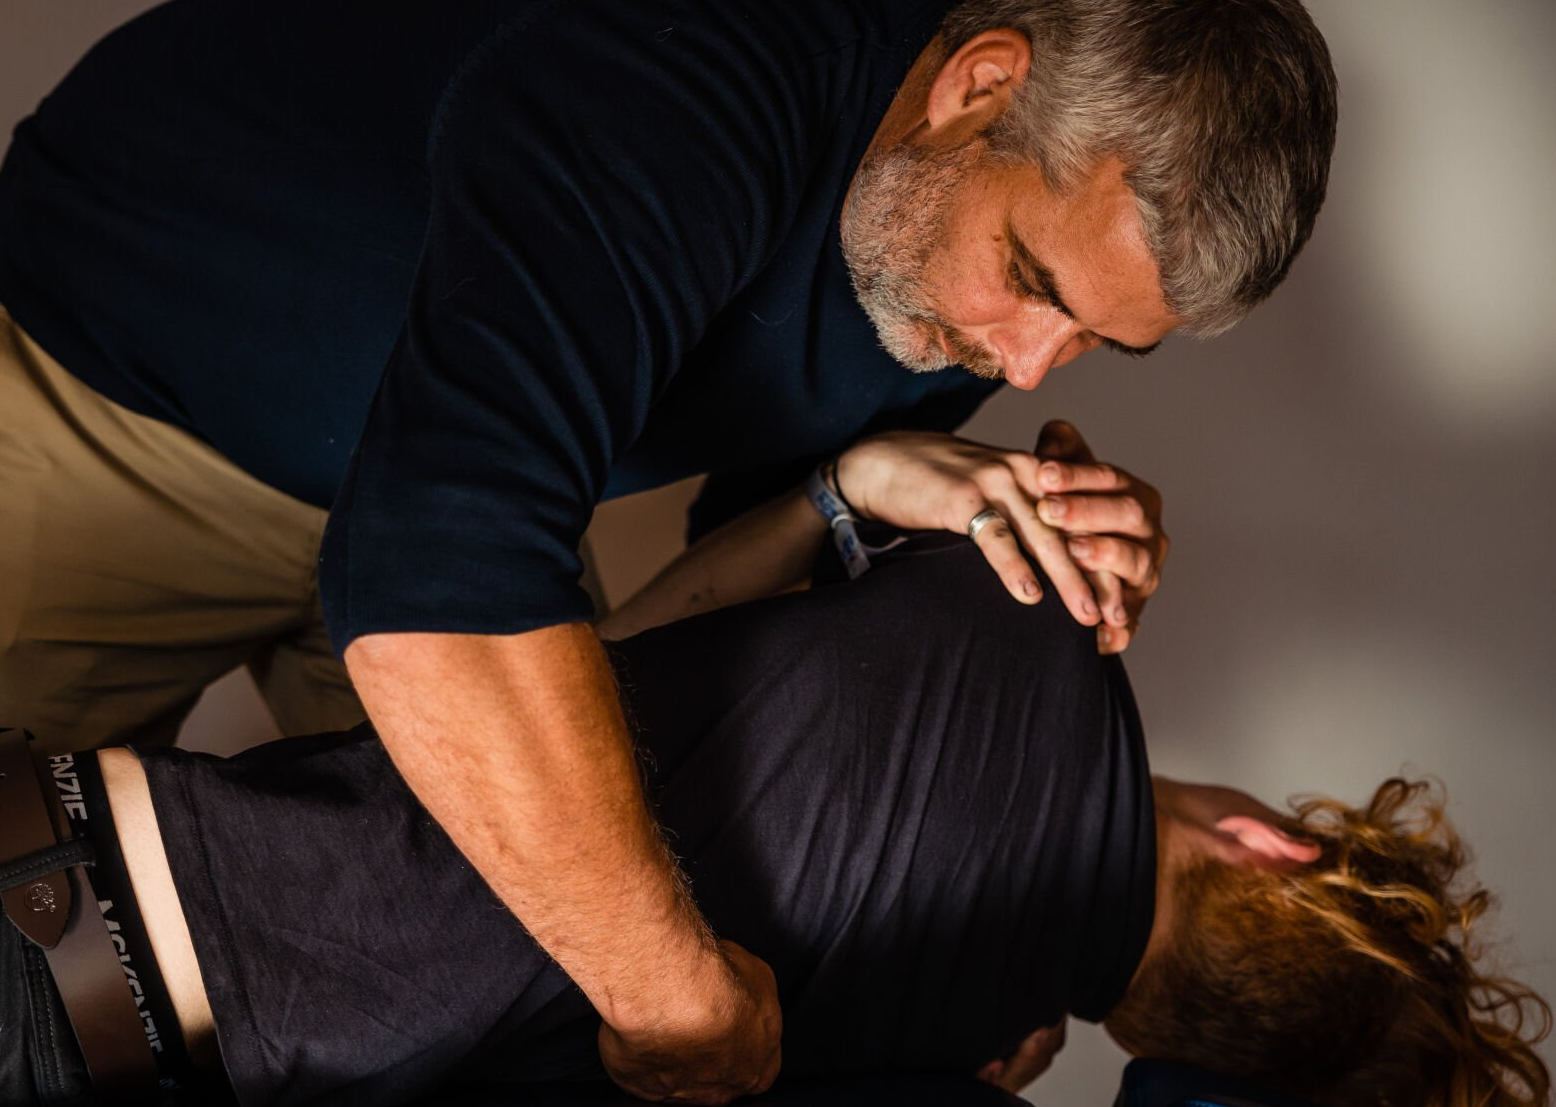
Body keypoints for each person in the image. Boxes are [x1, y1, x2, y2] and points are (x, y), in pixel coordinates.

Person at [0, 0, 1339, 1098]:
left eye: (1100, 340)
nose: (1031, 359)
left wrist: (863, 492)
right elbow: (434, 586)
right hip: (137, 380)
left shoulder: (942, 279)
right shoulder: (701, 70)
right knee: (58, 918)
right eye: (1040, 284)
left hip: (449, 493)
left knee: (474, 959)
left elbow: (719, 653)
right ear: (980, 85)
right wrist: (681, 1001)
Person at [1, 522, 1547, 1107]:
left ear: (1275, 844)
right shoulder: (907, 1059)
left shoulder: (1021, 598)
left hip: (73, 853)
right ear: (1169, 1043)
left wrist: (836, 500)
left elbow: (620, 670)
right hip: (93, 1012)